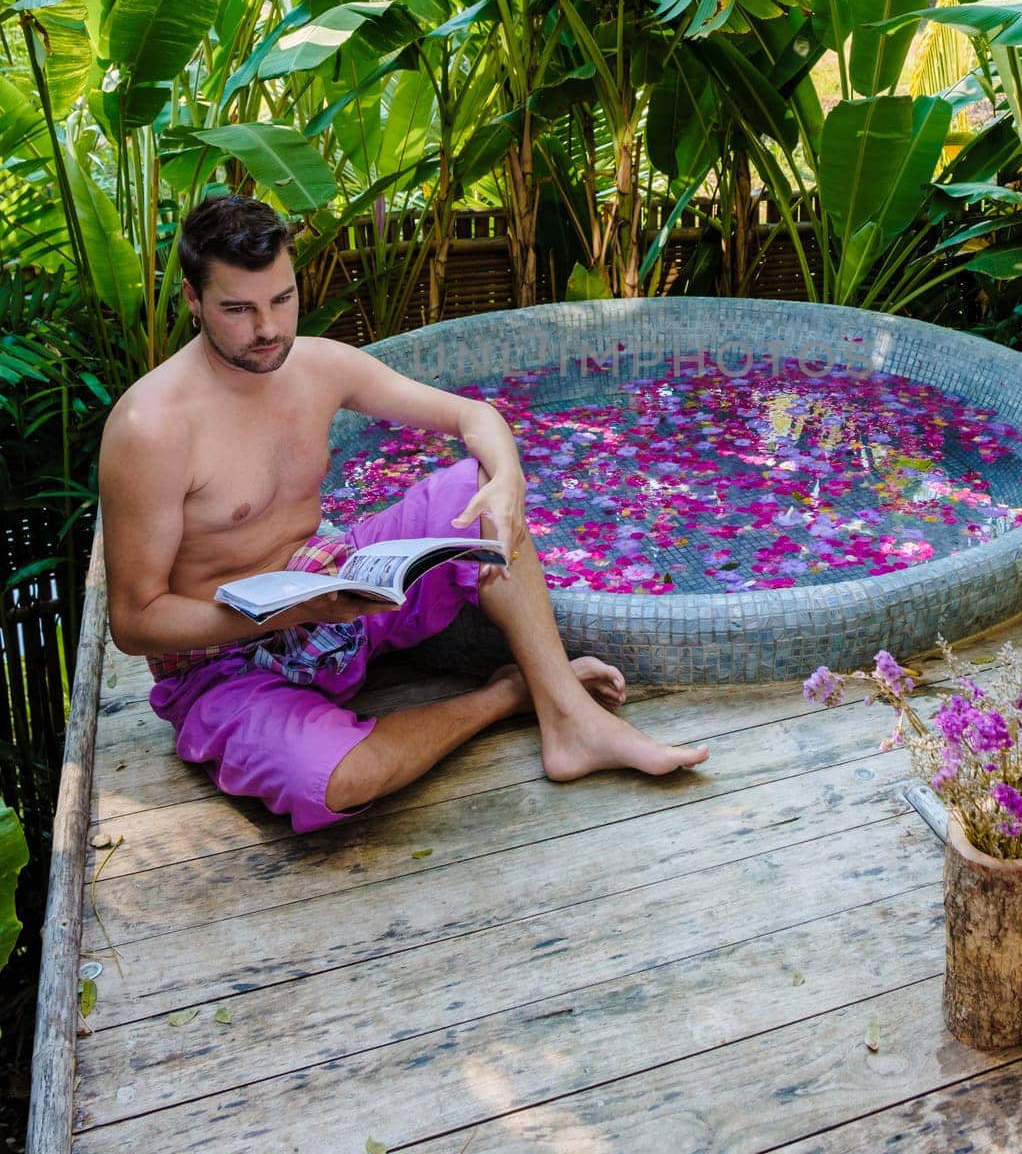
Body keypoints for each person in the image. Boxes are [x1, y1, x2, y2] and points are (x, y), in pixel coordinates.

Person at [99, 194, 708, 833]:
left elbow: (474, 417)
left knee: (478, 492)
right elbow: (134, 622)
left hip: (330, 593)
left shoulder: (317, 365)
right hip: (224, 664)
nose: (269, 328)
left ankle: (571, 721)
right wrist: (296, 609)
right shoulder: (150, 429)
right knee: (335, 783)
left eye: (282, 299)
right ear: (194, 301)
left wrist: (508, 482)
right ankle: (505, 698)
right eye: (238, 309)